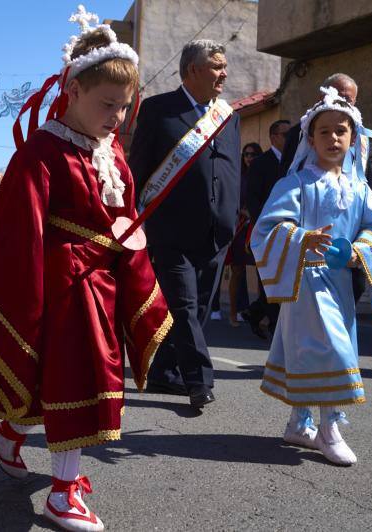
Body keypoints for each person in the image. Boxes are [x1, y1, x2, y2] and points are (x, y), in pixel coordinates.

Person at [0, 8, 171, 531]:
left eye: (123, 107)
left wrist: (130, 238)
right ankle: (64, 492)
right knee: (81, 376)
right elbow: (20, 227)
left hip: (101, 280)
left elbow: (123, 216)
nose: (116, 117)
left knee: (54, 375)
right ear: (73, 91)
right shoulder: (43, 150)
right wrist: (38, 288)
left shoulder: (111, 153)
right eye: (106, 104)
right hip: (63, 283)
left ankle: (6, 436)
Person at [251, 87, 372, 466]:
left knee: (311, 352)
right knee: (331, 349)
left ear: (353, 138)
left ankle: (298, 422)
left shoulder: (359, 189)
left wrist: (358, 250)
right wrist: (301, 239)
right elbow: (266, 229)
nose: (333, 138)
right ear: (310, 138)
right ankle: (330, 427)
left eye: (341, 131)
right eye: (325, 131)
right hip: (304, 282)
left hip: (338, 286)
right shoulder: (295, 184)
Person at [128, 39, 241, 408]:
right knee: (185, 307)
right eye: (217, 66)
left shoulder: (228, 115)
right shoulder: (159, 110)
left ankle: (164, 372)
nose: (224, 73)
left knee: (200, 310)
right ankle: (199, 381)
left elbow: (230, 170)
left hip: (217, 232)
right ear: (193, 70)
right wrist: (133, 220)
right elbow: (140, 169)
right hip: (171, 231)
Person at [279, 74, 372, 306]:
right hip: (312, 244)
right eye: (340, 96)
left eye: (350, 100)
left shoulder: (361, 138)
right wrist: (301, 237)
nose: (333, 139)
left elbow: (367, 184)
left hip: (347, 241)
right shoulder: (299, 139)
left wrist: (363, 246)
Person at [245, 120, 291, 337]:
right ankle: (272, 323)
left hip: (290, 230)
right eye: (286, 134)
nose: (290, 138)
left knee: (284, 276)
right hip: (268, 230)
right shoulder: (261, 163)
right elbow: (252, 196)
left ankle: (255, 313)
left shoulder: (295, 161)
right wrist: (263, 223)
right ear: (273, 137)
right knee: (268, 278)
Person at [226, 142, 262, 327]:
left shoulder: (262, 174)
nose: (249, 158)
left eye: (253, 154)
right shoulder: (237, 177)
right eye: (246, 154)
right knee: (237, 271)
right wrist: (242, 212)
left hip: (258, 227)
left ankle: (259, 314)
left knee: (261, 271)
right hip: (241, 227)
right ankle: (233, 313)